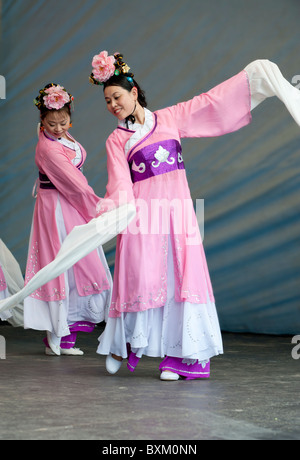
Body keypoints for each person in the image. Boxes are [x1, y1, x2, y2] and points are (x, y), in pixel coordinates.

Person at [89, 52, 300, 380]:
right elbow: (119, 184)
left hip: (178, 212)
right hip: (144, 216)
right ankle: (128, 342)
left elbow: (210, 103)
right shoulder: (116, 140)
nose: (112, 105)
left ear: (134, 93)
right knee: (142, 275)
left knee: (181, 277)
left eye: (116, 96)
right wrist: (114, 212)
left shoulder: (170, 118)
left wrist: (253, 79)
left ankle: (183, 358)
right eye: (107, 101)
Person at [24, 83, 112, 356]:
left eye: (64, 123)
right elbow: (76, 186)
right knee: (64, 266)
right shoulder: (49, 150)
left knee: (78, 267)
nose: (59, 129)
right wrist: (100, 208)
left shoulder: (62, 139)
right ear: (42, 121)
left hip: (69, 205)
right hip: (59, 210)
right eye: (52, 124)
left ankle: (64, 338)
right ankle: (57, 336)